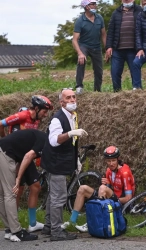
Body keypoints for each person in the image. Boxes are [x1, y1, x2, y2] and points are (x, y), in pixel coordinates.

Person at [0, 95, 53, 234]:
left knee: (36, 187)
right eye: (44, 111)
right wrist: (5, 139)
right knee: (17, 190)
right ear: (36, 108)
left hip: (26, 157)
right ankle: (12, 227)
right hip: (15, 156)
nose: (45, 114)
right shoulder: (23, 115)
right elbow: (1, 123)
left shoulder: (36, 120)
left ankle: (32, 223)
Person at [40, 88, 88, 241]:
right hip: (56, 163)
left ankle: (48, 226)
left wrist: (76, 160)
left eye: (74, 97)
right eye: (68, 98)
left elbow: (71, 143)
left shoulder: (72, 116)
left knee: (53, 195)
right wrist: (71, 133)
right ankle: (56, 230)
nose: (73, 100)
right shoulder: (58, 118)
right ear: (61, 102)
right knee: (59, 196)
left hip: (60, 161)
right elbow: (54, 141)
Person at [62, 145, 135, 233]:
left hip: (121, 204)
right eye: (108, 161)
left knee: (102, 188)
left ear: (118, 159)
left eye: (113, 161)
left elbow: (128, 198)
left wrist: (109, 200)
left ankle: (93, 223)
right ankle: (72, 221)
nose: (111, 163)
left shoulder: (125, 172)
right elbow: (109, 189)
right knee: (82, 188)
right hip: (110, 199)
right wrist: (108, 184)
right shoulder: (109, 170)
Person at [0, 129, 47, 242]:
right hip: (6, 153)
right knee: (11, 193)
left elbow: (21, 155)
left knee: (2, 195)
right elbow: (27, 156)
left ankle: (9, 230)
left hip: (3, 150)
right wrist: (18, 178)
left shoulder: (40, 136)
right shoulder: (45, 141)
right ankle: (16, 232)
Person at [105, 0, 143, 92]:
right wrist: (108, 47)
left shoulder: (139, 10)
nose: (127, 1)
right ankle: (117, 93)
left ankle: (138, 92)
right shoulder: (116, 13)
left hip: (133, 49)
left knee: (135, 72)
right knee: (115, 72)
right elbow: (110, 31)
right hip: (117, 50)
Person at [73, 0, 107, 94]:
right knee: (81, 61)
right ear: (86, 6)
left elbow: (103, 35)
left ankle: (97, 90)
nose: (95, 6)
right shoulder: (80, 21)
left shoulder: (99, 18)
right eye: (93, 4)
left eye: (95, 4)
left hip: (96, 46)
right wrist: (80, 53)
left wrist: (107, 48)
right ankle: (79, 86)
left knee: (98, 69)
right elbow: (75, 40)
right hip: (84, 45)